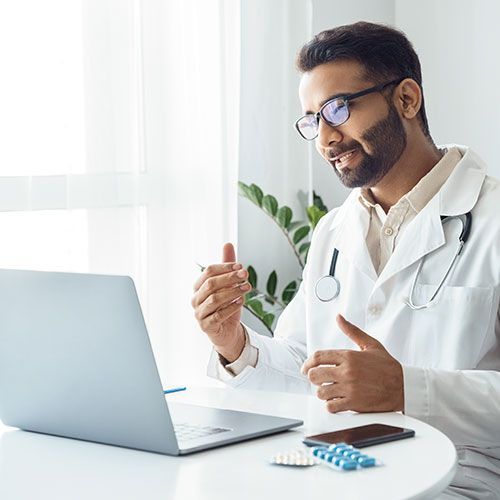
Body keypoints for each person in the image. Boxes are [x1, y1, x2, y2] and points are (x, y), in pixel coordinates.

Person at [191, 22, 499, 498]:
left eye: (338, 108)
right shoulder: (334, 230)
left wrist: (408, 389)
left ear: (406, 100)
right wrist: (234, 345)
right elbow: (306, 368)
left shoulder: (492, 220)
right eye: (313, 119)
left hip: (462, 481)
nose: (325, 138)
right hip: (346, 471)